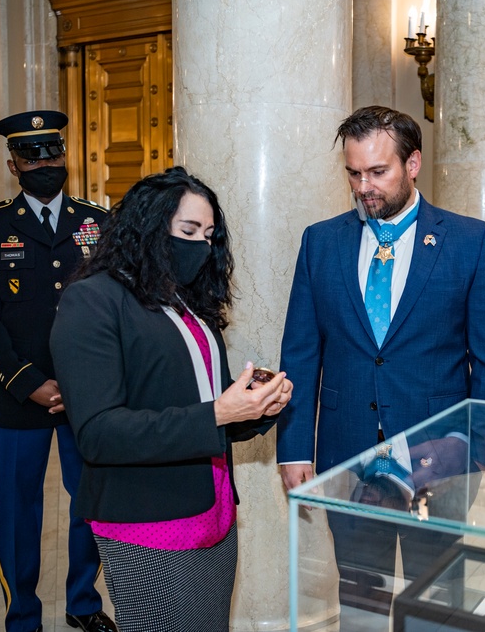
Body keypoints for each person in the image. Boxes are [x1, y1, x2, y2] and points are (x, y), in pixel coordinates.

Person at [276, 105, 485, 614]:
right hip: (348, 458)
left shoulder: (470, 243)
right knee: (361, 600)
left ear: (413, 164)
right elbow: (300, 353)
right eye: (353, 173)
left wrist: (471, 451)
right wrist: (294, 449)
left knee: (437, 604)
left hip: (439, 462)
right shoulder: (321, 243)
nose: (364, 187)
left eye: (377, 172)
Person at [50, 167, 292, 631]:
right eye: (187, 231)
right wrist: (219, 412)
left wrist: (255, 409)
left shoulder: (186, 304)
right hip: (148, 517)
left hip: (213, 507)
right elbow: (99, 434)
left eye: (208, 235)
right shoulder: (92, 301)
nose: (200, 245)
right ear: (147, 225)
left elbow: (203, 409)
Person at [0, 111, 116, 632]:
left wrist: (87, 381)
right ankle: (21, 614)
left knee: (89, 501)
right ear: (13, 164)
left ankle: (83, 604)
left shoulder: (99, 222)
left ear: (65, 155)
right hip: (16, 394)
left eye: (52, 152)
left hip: (87, 395)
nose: (44, 163)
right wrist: (27, 382)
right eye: (32, 156)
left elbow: (116, 304)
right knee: (17, 509)